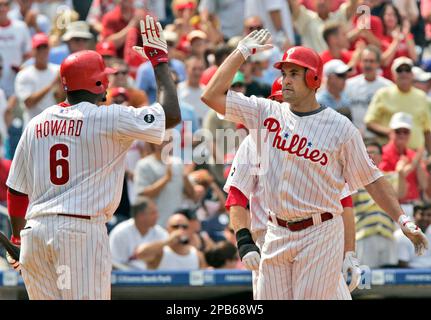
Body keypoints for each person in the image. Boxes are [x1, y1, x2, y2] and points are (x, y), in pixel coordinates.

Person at [201, 30, 428, 299]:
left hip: (320, 232)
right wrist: (240, 53)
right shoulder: (265, 112)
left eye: (294, 74)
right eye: (283, 73)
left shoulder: (340, 127)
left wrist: (401, 218)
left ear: (314, 78)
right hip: (275, 231)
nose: (285, 80)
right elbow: (211, 95)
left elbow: (372, 179)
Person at [5, 16, 181, 300]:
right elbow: (171, 114)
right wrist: (159, 62)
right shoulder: (107, 118)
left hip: (35, 234)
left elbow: (15, 190)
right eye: (106, 77)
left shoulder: (36, 122)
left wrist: (16, 237)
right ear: (98, 82)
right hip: (78, 234)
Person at [353, 140, 406, 268]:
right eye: (367, 153)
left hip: (387, 233)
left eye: (373, 152)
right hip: (364, 234)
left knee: (389, 282)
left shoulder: (390, 177)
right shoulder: (355, 178)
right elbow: (351, 200)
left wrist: (401, 174)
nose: (370, 155)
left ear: (381, 156)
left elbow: (400, 194)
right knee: (364, 282)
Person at [365, 56, 431, 153]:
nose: (404, 73)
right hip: (389, 155)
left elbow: (427, 130)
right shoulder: (383, 94)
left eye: (407, 70)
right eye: (399, 70)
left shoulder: (421, 96)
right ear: (393, 75)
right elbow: (370, 122)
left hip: (416, 155)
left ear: (412, 74)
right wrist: (389, 132)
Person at [134, 140, 195, 228]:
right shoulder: (143, 164)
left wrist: (185, 177)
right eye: (162, 141)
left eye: (168, 141)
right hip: (155, 225)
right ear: (153, 143)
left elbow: (191, 195)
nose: (165, 144)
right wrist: (166, 179)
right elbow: (143, 195)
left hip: (176, 225)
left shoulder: (178, 163)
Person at [14, 33, 63, 127]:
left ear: (49, 49)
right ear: (33, 51)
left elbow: (62, 99)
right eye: (39, 48)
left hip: (55, 127)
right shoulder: (24, 75)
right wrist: (52, 84)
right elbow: (29, 103)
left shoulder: (58, 70)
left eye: (45, 47)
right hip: (32, 127)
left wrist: (60, 87)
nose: (42, 51)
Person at [379, 112, 427, 205]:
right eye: (398, 131)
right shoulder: (382, 154)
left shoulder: (413, 154)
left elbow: (424, 184)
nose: (402, 134)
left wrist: (416, 163)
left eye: (406, 131)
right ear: (391, 133)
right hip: (393, 207)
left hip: (413, 206)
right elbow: (386, 184)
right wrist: (412, 164)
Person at [344, 45, 393, 137]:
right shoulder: (349, 85)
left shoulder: (388, 87)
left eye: (371, 61)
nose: (368, 65)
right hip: (354, 138)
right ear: (360, 63)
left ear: (378, 63)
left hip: (378, 138)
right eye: (365, 61)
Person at [109, 196, 168, 270]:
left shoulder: (159, 232)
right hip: (125, 278)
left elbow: (167, 256)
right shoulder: (120, 233)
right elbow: (114, 263)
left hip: (154, 278)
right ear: (141, 215)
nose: (157, 216)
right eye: (153, 213)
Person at [134, 213, 206, 270]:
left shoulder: (197, 255)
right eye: (175, 226)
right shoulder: (160, 252)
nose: (180, 230)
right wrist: (168, 241)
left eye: (184, 227)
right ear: (168, 229)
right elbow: (140, 253)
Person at [0, 0, 32, 97]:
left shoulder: (21, 27)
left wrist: (22, 67)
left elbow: (29, 53)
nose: (2, 8)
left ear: (9, 7)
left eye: (5, 5)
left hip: (16, 83)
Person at [395, 203, 431, 268]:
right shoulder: (401, 235)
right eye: (422, 214)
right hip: (410, 274)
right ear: (414, 215)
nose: (425, 218)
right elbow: (402, 265)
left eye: (429, 215)